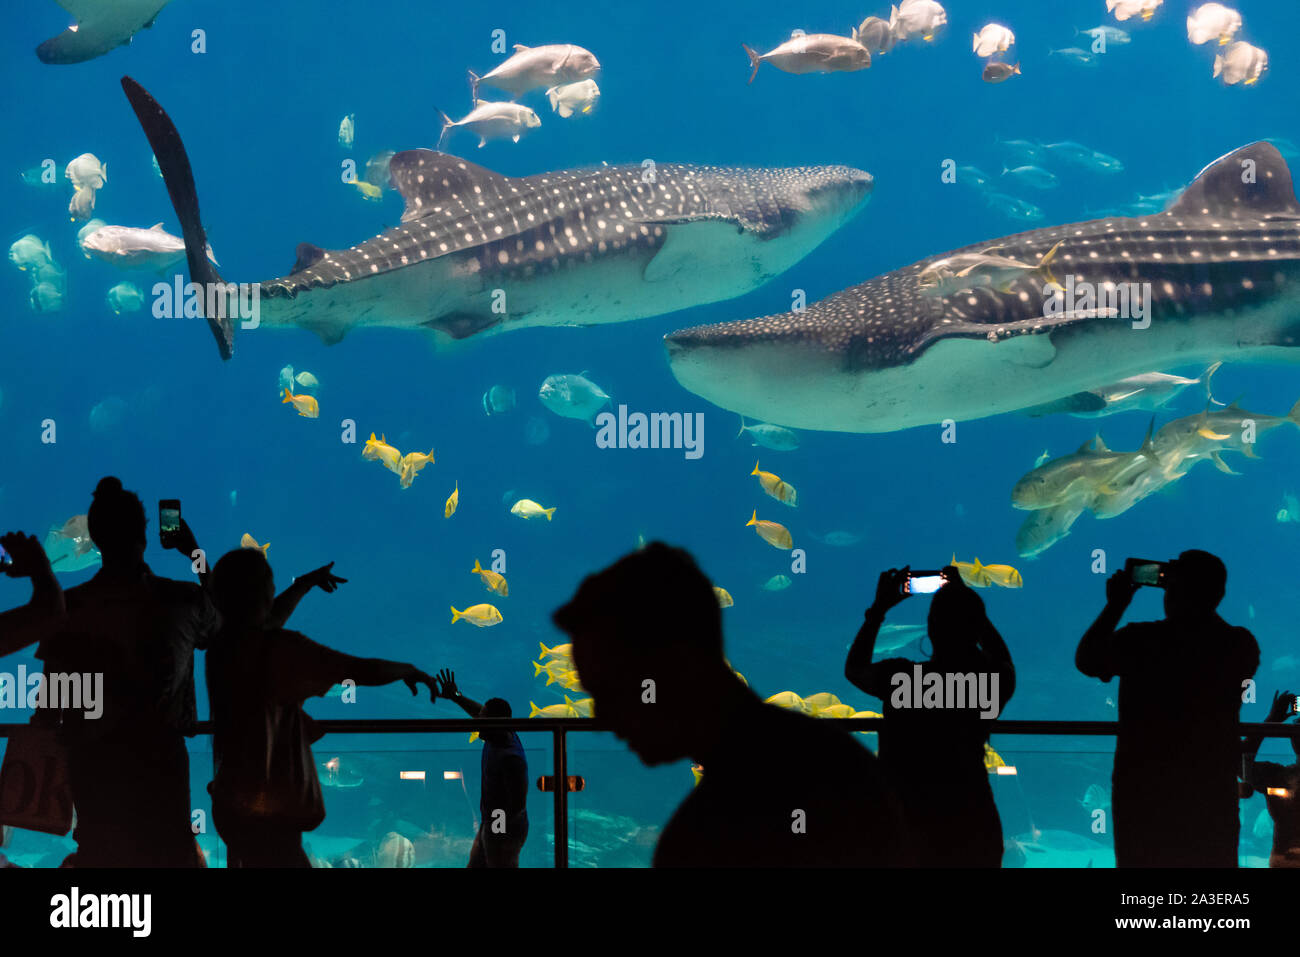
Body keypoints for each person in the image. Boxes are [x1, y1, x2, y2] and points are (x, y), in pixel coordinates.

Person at [552, 542, 912, 867]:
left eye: (611, 690)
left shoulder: (703, 834)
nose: (603, 716)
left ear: (678, 664)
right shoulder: (835, 756)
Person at [0, 477, 218, 867]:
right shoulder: (180, 600)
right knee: (170, 852)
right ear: (145, 536)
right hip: (161, 768)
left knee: (101, 854)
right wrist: (194, 552)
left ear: (96, 540)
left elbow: (51, 705)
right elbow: (227, 618)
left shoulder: (70, 609)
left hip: (94, 768)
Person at [205, 547, 439, 867]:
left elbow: (264, 619)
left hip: (232, 800)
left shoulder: (221, 647)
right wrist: (407, 670)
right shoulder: (280, 649)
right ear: (266, 591)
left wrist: (303, 584)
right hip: (270, 808)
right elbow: (356, 669)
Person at [1076, 550, 1259, 867]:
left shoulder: (1141, 640)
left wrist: (1116, 603)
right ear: (1220, 594)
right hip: (1210, 791)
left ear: (1171, 592)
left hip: (1144, 792)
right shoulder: (1240, 644)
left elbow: (1087, 660)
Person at [845, 565, 1015, 867]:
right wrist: (967, 602)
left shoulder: (902, 679)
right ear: (977, 628)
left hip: (908, 820)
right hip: (973, 821)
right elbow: (1004, 661)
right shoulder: (990, 683)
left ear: (931, 628)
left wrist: (878, 610)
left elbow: (855, 669)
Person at [436, 669, 529, 867]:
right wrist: (456, 696)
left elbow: (517, 804)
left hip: (504, 826)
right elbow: (478, 711)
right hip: (493, 821)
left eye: (483, 719)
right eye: (480, 717)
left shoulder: (510, 757)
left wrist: (496, 828)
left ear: (496, 723)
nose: (478, 722)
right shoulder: (497, 733)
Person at [1241, 690, 1300, 867]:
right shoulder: (1280, 777)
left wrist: (1270, 722)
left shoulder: (1278, 777)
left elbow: (1239, 763)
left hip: (1284, 861)